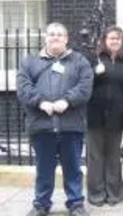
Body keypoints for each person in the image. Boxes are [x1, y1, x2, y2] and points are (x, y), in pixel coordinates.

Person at [17, 22, 93, 216]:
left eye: (60, 34)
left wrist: (67, 101)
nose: (56, 37)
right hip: (42, 125)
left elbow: (85, 87)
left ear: (66, 39)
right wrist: (41, 102)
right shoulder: (29, 62)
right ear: (45, 38)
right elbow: (23, 88)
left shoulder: (79, 61)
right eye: (52, 34)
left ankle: (75, 203)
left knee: (73, 168)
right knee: (44, 169)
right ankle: (41, 204)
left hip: (71, 125)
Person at [86, 26, 123, 207]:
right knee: (96, 157)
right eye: (111, 38)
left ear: (121, 42)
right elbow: (81, 83)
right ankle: (96, 194)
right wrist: (93, 73)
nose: (114, 41)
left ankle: (114, 194)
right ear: (104, 40)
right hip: (95, 114)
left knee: (113, 156)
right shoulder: (93, 59)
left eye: (118, 39)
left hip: (116, 115)